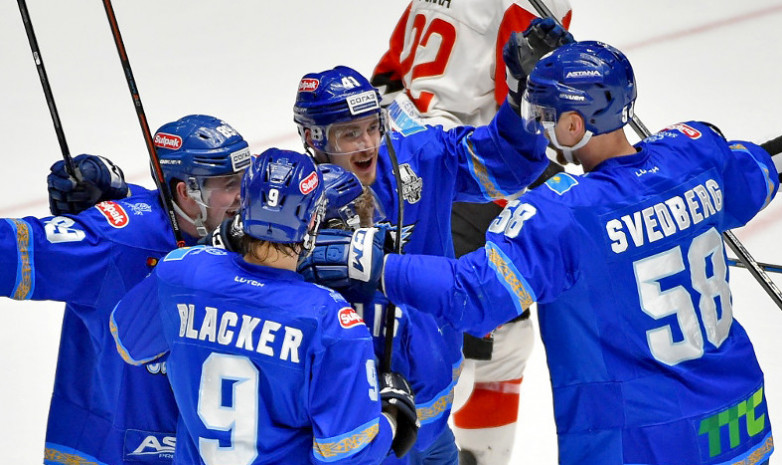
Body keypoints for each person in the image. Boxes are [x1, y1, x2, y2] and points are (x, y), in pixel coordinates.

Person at [328, 40, 780, 464]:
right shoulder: (695, 155)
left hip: (640, 437)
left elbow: (473, 295)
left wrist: (372, 261)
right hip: (741, 414)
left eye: (544, 114)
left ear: (572, 125)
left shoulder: (562, 215)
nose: (537, 127)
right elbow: (761, 171)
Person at [289, 23, 567, 462]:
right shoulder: (288, 202)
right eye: (349, 134)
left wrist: (521, 96)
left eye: (372, 127)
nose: (366, 145)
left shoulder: (420, 155)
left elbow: (510, 164)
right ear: (314, 139)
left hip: (436, 415)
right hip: (359, 431)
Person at [109, 148, 419, 465]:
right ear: (313, 221)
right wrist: (391, 419)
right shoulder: (332, 321)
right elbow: (346, 456)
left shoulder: (180, 271)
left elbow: (127, 342)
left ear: (244, 206)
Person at [372, 4, 571, 463]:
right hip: (462, 169)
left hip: (400, 146)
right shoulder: (524, 6)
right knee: (492, 339)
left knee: (424, 321)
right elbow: (525, 113)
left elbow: (387, 70)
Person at [1, 114, 251, 465]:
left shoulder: (248, 241)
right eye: (228, 184)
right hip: (107, 450)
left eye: (245, 181)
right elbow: (12, 250)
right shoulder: (119, 238)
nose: (244, 198)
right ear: (185, 191)